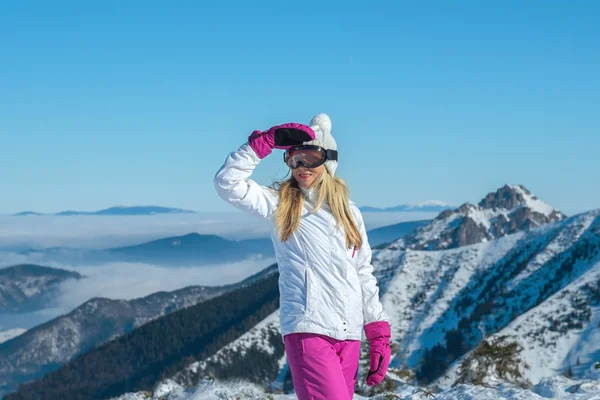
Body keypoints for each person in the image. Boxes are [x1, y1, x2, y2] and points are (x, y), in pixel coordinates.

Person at [214, 113, 391, 400]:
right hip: (308, 330)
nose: (300, 166)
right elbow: (227, 183)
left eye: (309, 157)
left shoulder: (350, 212)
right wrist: (261, 145)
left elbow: (362, 273)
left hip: (348, 334)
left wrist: (378, 330)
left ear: (329, 161)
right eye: (293, 158)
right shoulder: (281, 203)